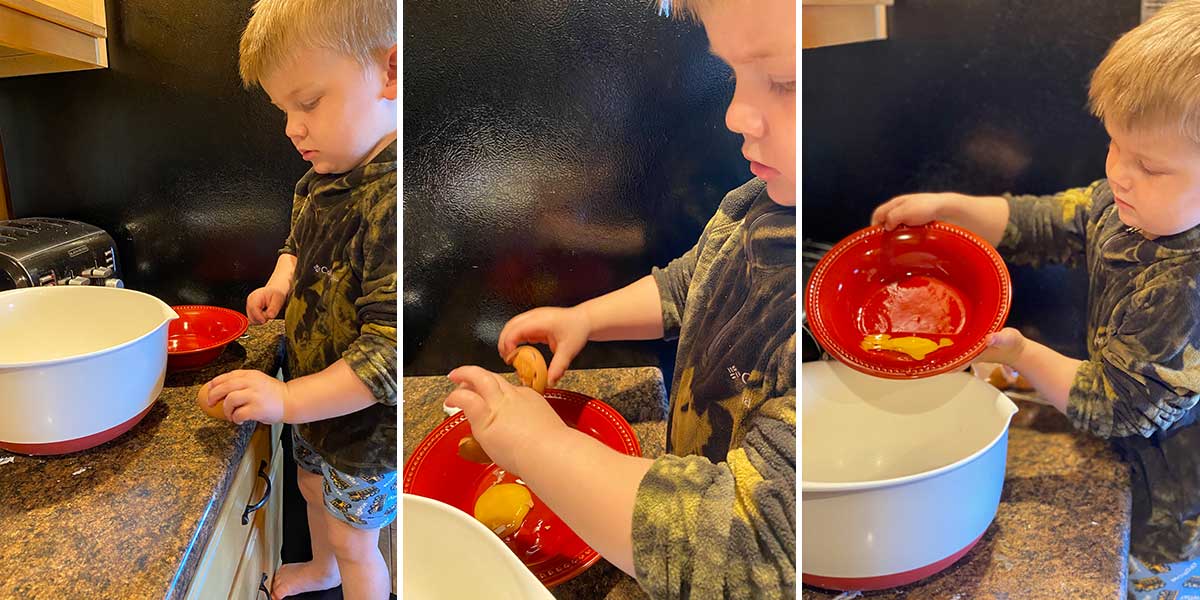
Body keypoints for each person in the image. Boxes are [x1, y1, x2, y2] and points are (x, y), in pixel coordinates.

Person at [444, 0, 796, 596]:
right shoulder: (754, 206)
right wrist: (585, 318)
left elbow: (755, 546)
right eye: (735, 75)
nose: (736, 114)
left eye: (784, 82)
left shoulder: (828, 317)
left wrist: (538, 444)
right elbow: (692, 283)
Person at [871, 0, 1200, 575]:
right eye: (1115, 144)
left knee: (1145, 577)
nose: (1120, 172)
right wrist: (952, 207)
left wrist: (1021, 353)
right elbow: (1052, 220)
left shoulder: (1184, 287)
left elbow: (1120, 406)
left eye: (1150, 166)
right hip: (1117, 451)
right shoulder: (1132, 206)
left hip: (1168, 504)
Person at [203, 1, 398, 598]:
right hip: (313, 408)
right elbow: (296, 243)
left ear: (391, 73)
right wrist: (281, 283)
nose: (292, 127)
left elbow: (384, 359)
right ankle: (323, 570)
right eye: (283, 108)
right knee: (311, 491)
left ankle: (343, 568)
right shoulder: (317, 182)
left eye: (308, 102)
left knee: (355, 539)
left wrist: (286, 399)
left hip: (362, 432)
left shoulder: (393, 200)